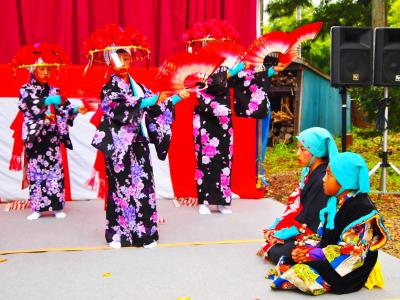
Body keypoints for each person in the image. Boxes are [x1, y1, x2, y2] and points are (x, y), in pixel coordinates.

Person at [85, 25, 189, 248]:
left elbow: (157, 105)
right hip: (118, 146)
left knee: (143, 187)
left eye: (127, 58)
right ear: (110, 61)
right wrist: (149, 101)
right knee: (120, 188)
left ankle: (145, 234)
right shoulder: (109, 88)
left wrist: (177, 98)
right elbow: (119, 107)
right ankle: (118, 234)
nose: (123, 63)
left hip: (138, 144)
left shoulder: (139, 87)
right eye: (118, 59)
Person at [183, 20, 280, 215]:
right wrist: (230, 72)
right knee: (204, 160)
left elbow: (250, 79)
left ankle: (222, 201)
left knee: (224, 159)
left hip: (224, 120)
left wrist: (273, 69)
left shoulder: (228, 64)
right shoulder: (198, 66)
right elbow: (210, 85)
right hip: (205, 119)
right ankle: (204, 201)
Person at [270, 152, 389, 295]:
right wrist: (306, 248)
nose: (324, 179)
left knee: (299, 272)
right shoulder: (334, 203)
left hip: (348, 270)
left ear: (344, 180)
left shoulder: (362, 211)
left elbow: (353, 253)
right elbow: (322, 235)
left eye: (329, 175)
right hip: (329, 259)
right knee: (289, 259)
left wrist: (315, 254)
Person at [13, 43, 87, 220]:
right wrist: (46, 106)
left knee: (54, 172)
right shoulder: (26, 90)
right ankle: (37, 207)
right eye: (42, 69)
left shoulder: (55, 91)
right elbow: (27, 107)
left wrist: (77, 110)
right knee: (36, 171)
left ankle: (56, 206)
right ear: (33, 70)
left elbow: (65, 109)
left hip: (52, 139)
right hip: (36, 138)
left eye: (48, 69)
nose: (46, 73)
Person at [259, 127, 339, 264]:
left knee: (276, 252)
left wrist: (288, 232)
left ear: (317, 152)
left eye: (303, 149)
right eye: (298, 148)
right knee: (274, 240)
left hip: (315, 232)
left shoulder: (322, 180)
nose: (298, 153)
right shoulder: (311, 173)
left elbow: (312, 220)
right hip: (305, 224)